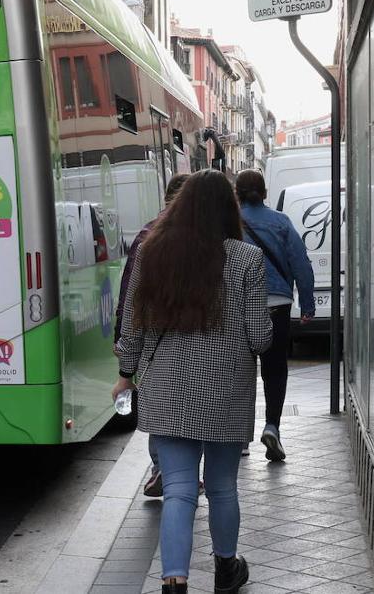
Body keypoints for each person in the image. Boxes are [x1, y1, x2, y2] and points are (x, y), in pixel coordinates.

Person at [112, 170, 272, 594]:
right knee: (222, 487)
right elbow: (259, 337)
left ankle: (174, 584)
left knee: (179, 490)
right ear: (228, 208)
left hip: (165, 387)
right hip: (226, 388)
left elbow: (133, 326)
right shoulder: (245, 259)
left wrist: (126, 375)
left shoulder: (152, 253)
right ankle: (225, 570)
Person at [115, 173, 189, 498]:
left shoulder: (147, 237)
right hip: (195, 340)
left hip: (152, 342)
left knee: (159, 404)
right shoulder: (210, 241)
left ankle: (163, 466)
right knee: (187, 405)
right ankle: (180, 470)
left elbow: (128, 293)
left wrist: (122, 336)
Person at [235, 169, 314, 462]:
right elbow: (301, 265)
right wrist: (307, 305)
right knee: (275, 370)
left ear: (236, 194)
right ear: (265, 193)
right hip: (277, 305)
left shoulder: (230, 224)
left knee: (241, 371)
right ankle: (272, 428)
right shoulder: (281, 222)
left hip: (241, 306)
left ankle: (241, 438)